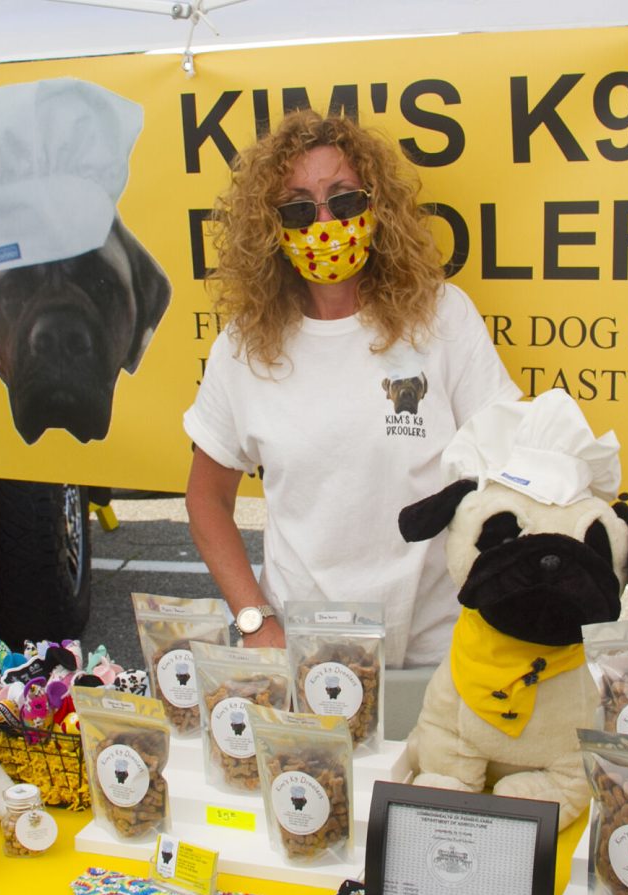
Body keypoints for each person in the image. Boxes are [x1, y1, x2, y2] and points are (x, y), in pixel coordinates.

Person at [183, 109, 520, 668]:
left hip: (439, 651)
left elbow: (508, 460)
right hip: (306, 654)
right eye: (298, 207)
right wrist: (255, 621)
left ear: (376, 204)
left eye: (343, 200)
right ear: (270, 225)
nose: (324, 222)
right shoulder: (245, 345)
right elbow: (206, 499)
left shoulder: (441, 316)